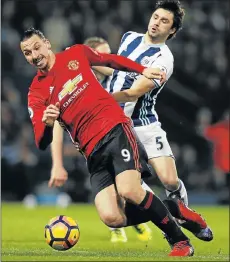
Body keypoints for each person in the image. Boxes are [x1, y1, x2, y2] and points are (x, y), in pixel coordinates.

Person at [21, 27, 194, 256]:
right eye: (27, 53)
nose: (34, 55)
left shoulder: (75, 54)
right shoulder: (36, 92)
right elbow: (41, 141)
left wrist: (143, 70)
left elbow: (110, 60)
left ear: (47, 43)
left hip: (114, 129)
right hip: (92, 151)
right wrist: (48, 123)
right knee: (111, 217)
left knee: (130, 190)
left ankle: (180, 241)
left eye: (36, 47)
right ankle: (173, 207)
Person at [93, 0, 213, 244]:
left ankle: (184, 217)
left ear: (172, 31)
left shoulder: (163, 59)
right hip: (118, 125)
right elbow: (117, 71)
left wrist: (96, 99)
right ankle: (172, 228)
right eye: (155, 17)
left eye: (164, 21)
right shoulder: (129, 38)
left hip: (143, 122)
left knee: (169, 180)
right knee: (133, 191)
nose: (156, 22)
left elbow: (133, 92)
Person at [50, 36, 153, 244]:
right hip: (91, 145)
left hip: (119, 134)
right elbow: (57, 125)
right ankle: (123, 223)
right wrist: (57, 162)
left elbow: (127, 87)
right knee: (108, 186)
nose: (109, 57)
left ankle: (138, 216)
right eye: (103, 53)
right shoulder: (75, 84)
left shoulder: (113, 83)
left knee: (127, 184)